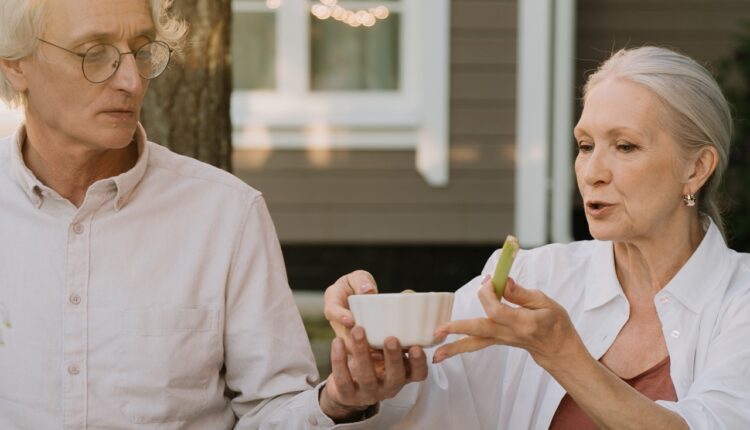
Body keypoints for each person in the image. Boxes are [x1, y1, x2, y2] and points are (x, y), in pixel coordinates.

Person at [0, 0, 409, 428]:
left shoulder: (227, 215)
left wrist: (338, 402)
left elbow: (272, 408)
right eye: (94, 53)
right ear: (15, 65)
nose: (131, 80)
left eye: (141, 50)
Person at [322, 46, 750, 429]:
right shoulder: (530, 276)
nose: (592, 172)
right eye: (584, 146)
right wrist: (359, 386)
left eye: (625, 147)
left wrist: (563, 354)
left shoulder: (741, 300)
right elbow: (426, 396)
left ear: (696, 168)